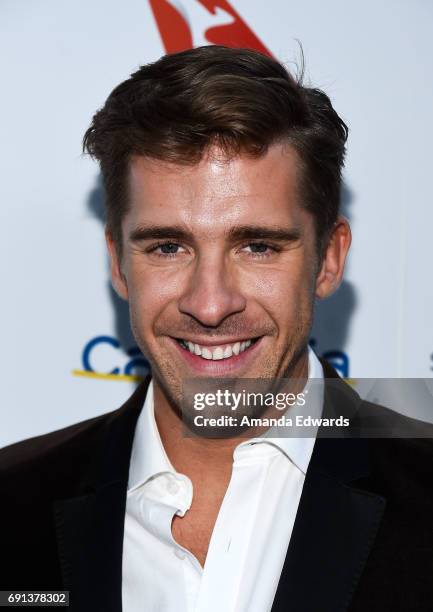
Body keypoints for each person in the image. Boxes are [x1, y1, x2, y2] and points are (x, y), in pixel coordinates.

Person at [0, 45, 432, 612]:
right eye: (168, 246)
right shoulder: (11, 503)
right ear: (118, 262)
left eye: (257, 245)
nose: (209, 304)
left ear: (329, 258)